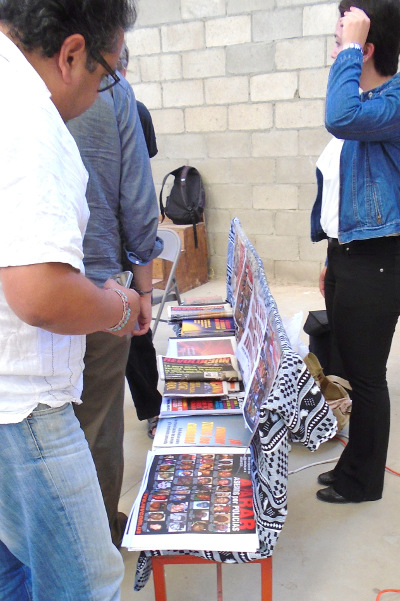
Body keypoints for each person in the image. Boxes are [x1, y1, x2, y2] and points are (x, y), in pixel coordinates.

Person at [0, 1, 137, 599]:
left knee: (19, 562)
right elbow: (41, 293)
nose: (107, 91)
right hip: (22, 403)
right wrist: (120, 308)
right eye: (110, 73)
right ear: (72, 54)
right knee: (90, 580)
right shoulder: (31, 118)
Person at [67, 47, 162, 547]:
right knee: (98, 422)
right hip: (97, 285)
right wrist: (141, 291)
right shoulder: (112, 93)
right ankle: (96, 531)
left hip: (61, 295)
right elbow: (137, 203)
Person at [310, 0, 400, 504]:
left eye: (342, 39)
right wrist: (331, 259)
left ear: (364, 49)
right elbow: (344, 196)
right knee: (354, 367)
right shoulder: (369, 109)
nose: (335, 49)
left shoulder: (393, 101)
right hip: (351, 256)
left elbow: (338, 115)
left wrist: (347, 51)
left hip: (380, 261)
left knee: (366, 378)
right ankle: (353, 463)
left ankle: (364, 483)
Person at [117, 43, 163, 438]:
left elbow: (139, 184)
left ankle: (151, 407)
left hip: (122, 245)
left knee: (138, 335)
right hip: (107, 246)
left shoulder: (136, 111)